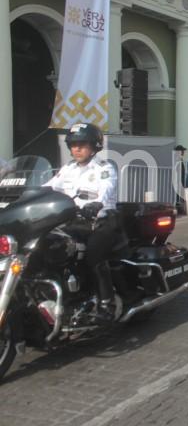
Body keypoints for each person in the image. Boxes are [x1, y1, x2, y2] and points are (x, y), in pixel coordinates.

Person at [44, 123, 119, 323]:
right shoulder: (68, 169)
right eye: (73, 144)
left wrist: (97, 203)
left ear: (94, 146)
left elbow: (107, 187)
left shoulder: (104, 168)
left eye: (82, 144)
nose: (76, 149)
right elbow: (49, 187)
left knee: (93, 255)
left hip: (101, 221)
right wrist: (26, 194)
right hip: (74, 223)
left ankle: (106, 304)